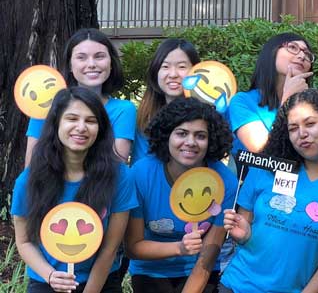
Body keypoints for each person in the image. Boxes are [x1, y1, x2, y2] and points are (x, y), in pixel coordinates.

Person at [219, 89, 318, 292]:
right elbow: (245, 227)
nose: (302, 134)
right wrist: (244, 236)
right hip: (237, 285)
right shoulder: (267, 168)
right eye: (293, 128)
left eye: (310, 124)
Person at [12, 87, 137, 293]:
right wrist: (50, 276)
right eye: (72, 118)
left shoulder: (119, 176)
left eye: (90, 121)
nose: (81, 127)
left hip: (101, 281)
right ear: (56, 123)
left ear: (101, 128)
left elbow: (110, 248)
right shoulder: (29, 180)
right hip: (48, 281)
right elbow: (24, 241)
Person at [126, 98, 236, 293]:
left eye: (200, 136)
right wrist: (180, 248)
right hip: (150, 271)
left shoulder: (224, 181)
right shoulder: (141, 174)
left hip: (200, 268)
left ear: (211, 140)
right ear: (167, 135)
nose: (191, 142)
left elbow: (209, 254)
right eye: (182, 133)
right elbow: (133, 247)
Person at [229, 32, 318, 160]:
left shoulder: (311, 104)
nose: (302, 56)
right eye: (293, 48)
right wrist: (288, 99)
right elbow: (264, 154)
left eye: (307, 54)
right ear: (271, 53)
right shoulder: (242, 102)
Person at [25, 28, 136, 165]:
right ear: (70, 65)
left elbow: (116, 167)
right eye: (81, 57)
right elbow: (31, 167)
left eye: (99, 56)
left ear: (111, 63)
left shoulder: (124, 110)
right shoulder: (46, 106)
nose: (91, 64)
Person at [132, 38, 201, 164]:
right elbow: (140, 167)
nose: (173, 74)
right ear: (156, 71)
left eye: (181, 67)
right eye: (165, 66)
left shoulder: (208, 113)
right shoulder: (145, 118)